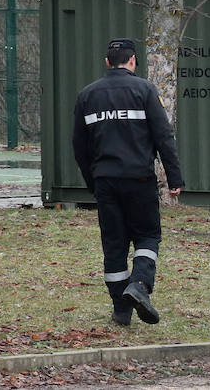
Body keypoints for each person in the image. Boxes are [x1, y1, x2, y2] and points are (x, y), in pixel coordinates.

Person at [72, 38, 184, 327]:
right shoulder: (145, 90)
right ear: (133, 61)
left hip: (105, 181)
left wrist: (92, 182)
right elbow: (163, 137)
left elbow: (79, 147)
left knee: (114, 244)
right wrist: (174, 178)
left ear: (107, 62)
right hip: (140, 178)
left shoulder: (87, 95)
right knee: (147, 236)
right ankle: (140, 284)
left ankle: (121, 311)